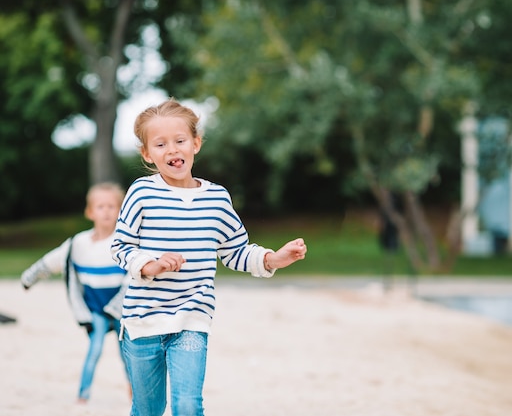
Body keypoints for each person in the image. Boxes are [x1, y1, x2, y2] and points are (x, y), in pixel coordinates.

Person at [111, 98, 307, 416]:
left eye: (180, 141)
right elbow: (120, 247)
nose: (172, 150)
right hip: (143, 320)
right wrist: (151, 265)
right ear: (147, 154)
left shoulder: (216, 198)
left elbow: (234, 251)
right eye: (160, 144)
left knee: (188, 405)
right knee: (148, 408)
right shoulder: (142, 193)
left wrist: (273, 259)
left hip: (192, 317)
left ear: (196, 143)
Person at [21, 182, 131, 403]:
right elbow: (50, 261)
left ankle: (134, 392)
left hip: (122, 309)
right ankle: (83, 395)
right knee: (95, 349)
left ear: (121, 211)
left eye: (112, 206)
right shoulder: (79, 244)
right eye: (101, 206)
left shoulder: (125, 242)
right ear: (90, 212)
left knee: (127, 354)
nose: (107, 211)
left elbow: (138, 271)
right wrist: (28, 278)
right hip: (96, 310)